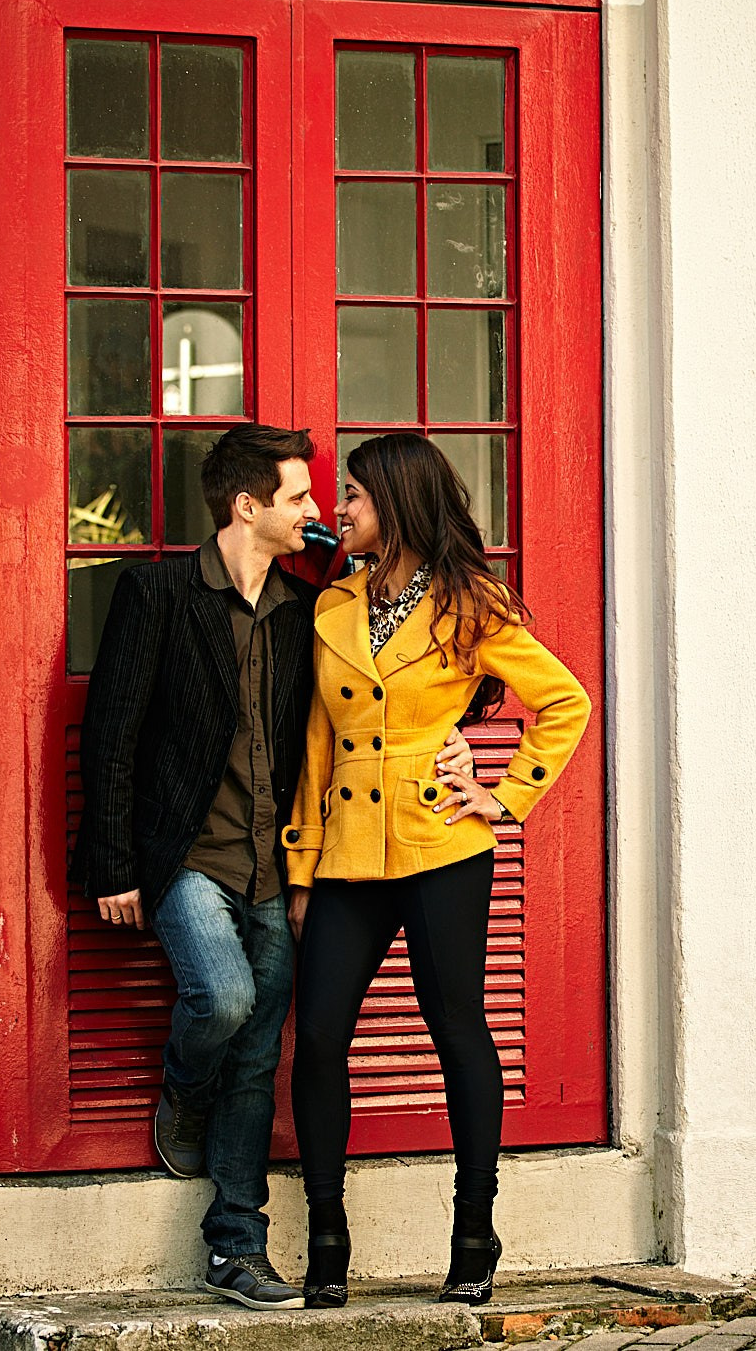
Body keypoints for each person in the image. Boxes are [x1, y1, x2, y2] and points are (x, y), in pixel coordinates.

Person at [71, 424, 474, 1311]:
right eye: (299, 496)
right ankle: (181, 1092)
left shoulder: (308, 607)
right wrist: (110, 864)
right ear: (248, 505)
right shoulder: (156, 591)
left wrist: (458, 745)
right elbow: (112, 735)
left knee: (260, 1056)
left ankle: (237, 1247)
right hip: (185, 854)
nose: (316, 511)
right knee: (224, 999)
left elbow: (417, 687)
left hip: (277, 859)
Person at [286, 432, 592, 1309]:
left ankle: (473, 1227)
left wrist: (505, 794)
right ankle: (326, 1236)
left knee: (458, 1027)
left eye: (352, 494)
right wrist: (302, 868)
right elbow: (316, 740)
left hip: (439, 843)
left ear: (396, 501)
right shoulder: (333, 601)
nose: (339, 509)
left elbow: (564, 699)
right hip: (346, 850)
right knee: (318, 1038)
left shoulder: (471, 602)